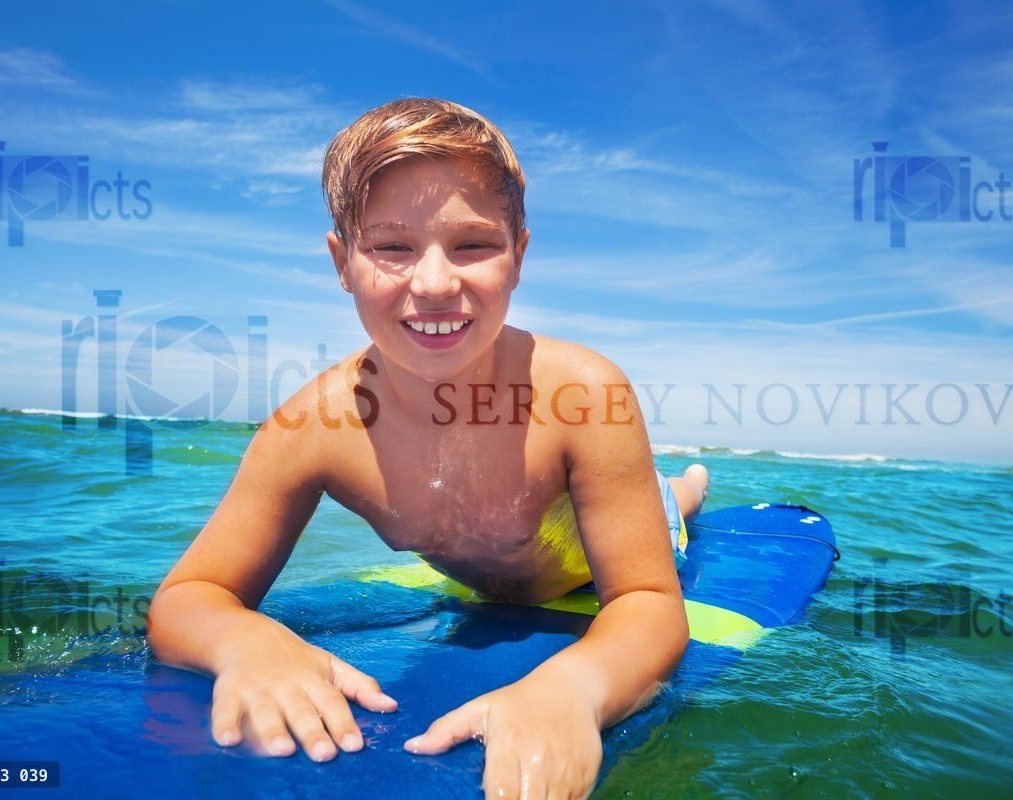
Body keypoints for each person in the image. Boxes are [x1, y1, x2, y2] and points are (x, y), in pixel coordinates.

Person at [146, 97, 711, 800]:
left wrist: (573, 690)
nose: (436, 284)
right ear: (342, 262)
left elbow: (649, 599)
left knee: (670, 508)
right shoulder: (315, 427)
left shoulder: (587, 394)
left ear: (520, 255)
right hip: (497, 573)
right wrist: (245, 644)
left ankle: (688, 485)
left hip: (589, 555)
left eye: (473, 245)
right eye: (391, 247)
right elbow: (186, 598)